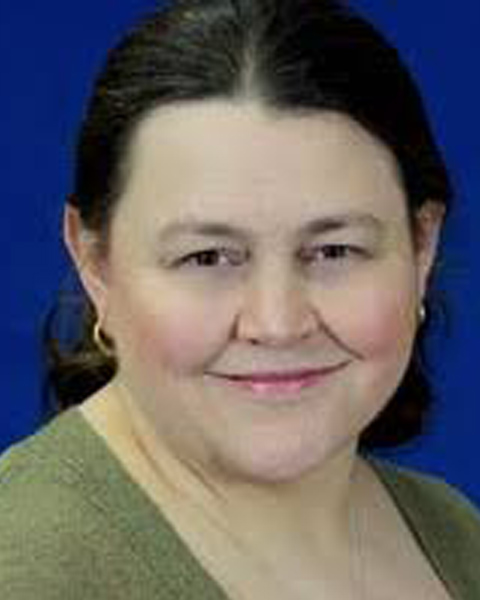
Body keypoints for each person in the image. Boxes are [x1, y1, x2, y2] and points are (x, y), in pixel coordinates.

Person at [1, 0, 479, 597]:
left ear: (423, 245)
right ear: (95, 264)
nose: (277, 323)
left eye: (334, 251)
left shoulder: (454, 533)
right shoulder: (29, 573)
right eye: (207, 258)